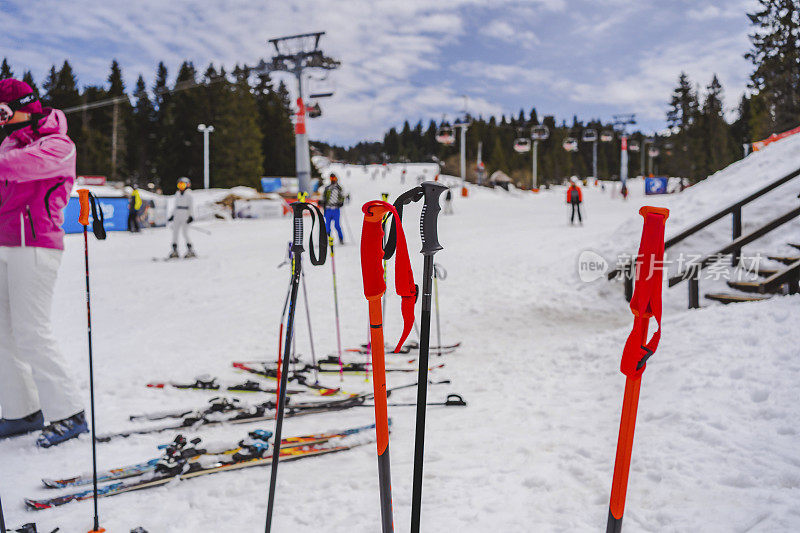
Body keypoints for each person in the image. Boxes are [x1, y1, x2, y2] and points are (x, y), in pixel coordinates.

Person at [0, 79, 88, 447]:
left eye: (3, 112)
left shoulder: (57, 145)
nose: (2, 122)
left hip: (36, 245)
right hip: (4, 243)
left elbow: (18, 167)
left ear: (25, 106)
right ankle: (22, 411)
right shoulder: (8, 142)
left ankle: (70, 413)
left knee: (32, 332)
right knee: (4, 334)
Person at [168, 177, 195, 258]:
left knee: (185, 233)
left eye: (182, 185)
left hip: (185, 214)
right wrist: (172, 215)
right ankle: (174, 250)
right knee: (175, 233)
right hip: (177, 215)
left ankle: (190, 250)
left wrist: (191, 216)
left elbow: (191, 206)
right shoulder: (177, 194)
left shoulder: (189, 195)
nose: (181, 187)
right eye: (179, 185)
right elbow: (175, 206)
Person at [321, 174, 345, 244]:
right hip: (328, 209)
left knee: (337, 225)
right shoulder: (327, 188)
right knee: (327, 226)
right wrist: (323, 203)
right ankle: (328, 239)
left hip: (336, 209)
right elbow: (324, 197)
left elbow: (342, 196)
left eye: (334, 178)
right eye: (331, 178)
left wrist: (341, 202)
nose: (333, 179)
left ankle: (341, 239)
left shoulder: (339, 188)